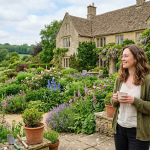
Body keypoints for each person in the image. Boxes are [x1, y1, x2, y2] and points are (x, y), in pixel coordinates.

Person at [111, 45, 150, 150]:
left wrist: (135, 101)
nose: (122, 59)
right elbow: (113, 103)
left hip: (138, 131)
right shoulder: (120, 78)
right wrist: (114, 99)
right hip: (119, 129)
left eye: (126, 56)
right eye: (122, 56)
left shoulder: (147, 80)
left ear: (137, 58)